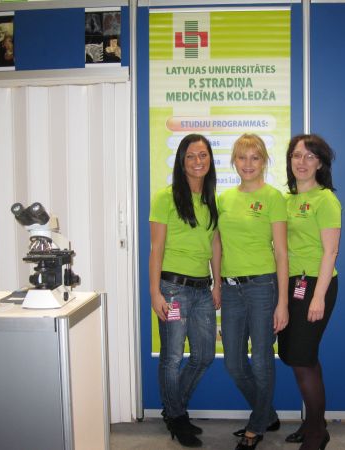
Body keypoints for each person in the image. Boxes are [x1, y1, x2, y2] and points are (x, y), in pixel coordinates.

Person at [217, 133, 289, 450]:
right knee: (233, 363)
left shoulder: (273, 198)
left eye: (255, 157)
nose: (248, 164)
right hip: (231, 289)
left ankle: (256, 425)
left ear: (264, 161)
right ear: (234, 160)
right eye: (242, 157)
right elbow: (216, 244)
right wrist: (216, 283)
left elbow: (282, 253)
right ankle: (267, 414)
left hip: (262, 287)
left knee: (261, 360)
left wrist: (283, 302)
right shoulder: (223, 199)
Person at [149, 134, 220, 448]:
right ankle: (177, 416)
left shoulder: (210, 199)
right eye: (191, 156)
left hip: (203, 289)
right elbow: (156, 247)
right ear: (181, 161)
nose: (197, 162)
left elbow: (215, 244)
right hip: (173, 288)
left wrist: (217, 283)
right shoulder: (165, 197)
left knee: (204, 355)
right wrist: (155, 292)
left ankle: (173, 408)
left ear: (210, 160)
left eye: (203, 155)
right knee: (172, 356)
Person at [277, 134, 342, 450]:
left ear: (320, 163)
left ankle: (318, 432)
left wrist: (318, 297)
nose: (301, 162)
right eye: (296, 155)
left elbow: (331, 251)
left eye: (309, 156)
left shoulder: (325, 200)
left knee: (302, 358)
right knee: (296, 356)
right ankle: (312, 422)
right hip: (290, 285)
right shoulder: (285, 200)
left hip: (316, 284)